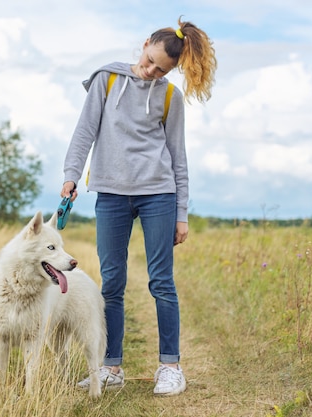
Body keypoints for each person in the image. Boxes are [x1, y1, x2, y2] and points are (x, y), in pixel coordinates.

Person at [60, 17, 216, 396]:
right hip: (110, 194)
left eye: (160, 69)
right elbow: (84, 131)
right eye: (149, 61)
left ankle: (170, 366)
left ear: (171, 70)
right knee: (111, 283)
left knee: (161, 282)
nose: (150, 72)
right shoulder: (107, 80)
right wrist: (71, 175)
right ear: (144, 45)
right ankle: (111, 368)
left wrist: (182, 214)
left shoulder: (169, 97)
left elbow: (178, 158)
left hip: (158, 194)